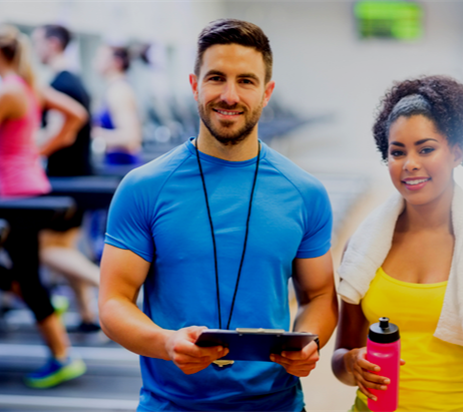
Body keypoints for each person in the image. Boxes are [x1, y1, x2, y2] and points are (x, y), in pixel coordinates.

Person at [99, 19, 338, 412]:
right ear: (194, 85)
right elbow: (113, 302)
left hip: (275, 403)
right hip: (171, 403)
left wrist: (308, 341)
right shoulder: (143, 187)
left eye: (246, 81)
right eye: (216, 78)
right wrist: (165, 342)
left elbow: (320, 295)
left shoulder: (304, 192)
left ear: (266, 92)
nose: (230, 95)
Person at [331, 76, 463, 411]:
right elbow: (341, 360)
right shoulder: (364, 247)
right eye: (397, 152)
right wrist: (352, 363)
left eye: (426, 149)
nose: (410, 163)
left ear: (456, 152)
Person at [0, 23, 87, 387]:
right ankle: (37, 300)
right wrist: (40, 148)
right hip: (24, 189)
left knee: (23, 274)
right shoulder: (28, 86)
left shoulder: (8, 92)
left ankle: (62, 354)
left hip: (18, 195)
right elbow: (76, 114)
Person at [32, 24, 101, 333]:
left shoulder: (60, 84)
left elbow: (60, 133)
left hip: (65, 179)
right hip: (75, 175)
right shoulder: (73, 80)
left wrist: (32, 151)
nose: (35, 50)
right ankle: (87, 314)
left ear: (53, 44)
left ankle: (113, 288)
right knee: (65, 247)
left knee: (46, 250)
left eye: (37, 43)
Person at [91, 43, 142, 166]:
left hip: (122, 167)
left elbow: (131, 138)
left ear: (116, 62)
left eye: (100, 57)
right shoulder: (114, 89)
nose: (95, 62)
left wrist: (96, 135)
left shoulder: (119, 91)